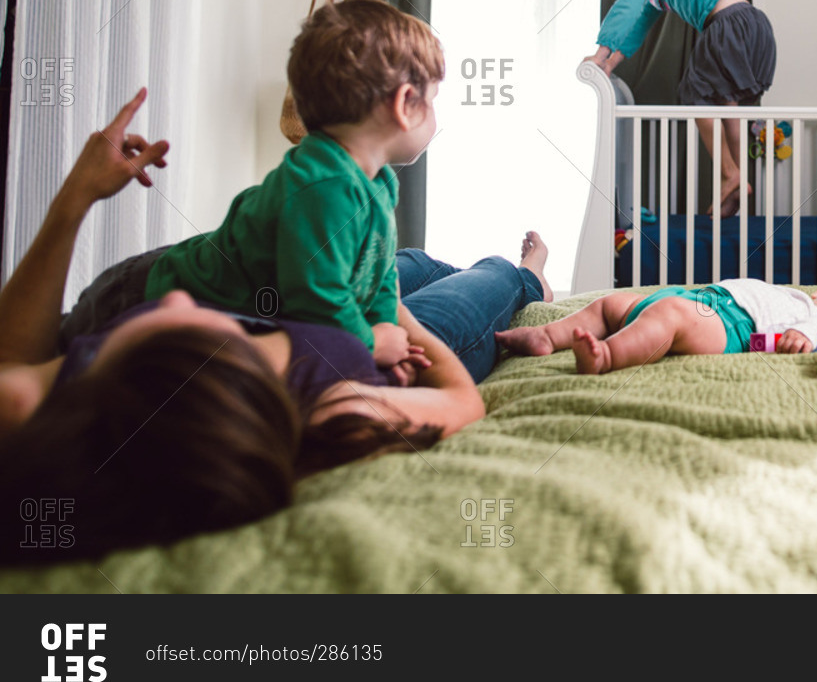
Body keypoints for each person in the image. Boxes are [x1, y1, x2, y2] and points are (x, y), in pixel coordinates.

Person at [0, 90, 549, 565]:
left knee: (415, 259)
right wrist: (393, 316)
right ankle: (533, 281)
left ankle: (429, 271)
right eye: (204, 322)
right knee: (494, 274)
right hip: (404, 349)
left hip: (327, 295)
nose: (173, 298)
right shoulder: (336, 409)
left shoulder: (68, 398)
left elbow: (11, 362)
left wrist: (75, 199)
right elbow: (462, 401)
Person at [143, 0, 443, 369]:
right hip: (168, 291)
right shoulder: (325, 186)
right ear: (405, 102)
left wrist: (385, 334)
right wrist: (369, 346)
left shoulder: (379, 182)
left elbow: (380, 274)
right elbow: (317, 302)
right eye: (434, 99)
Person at [584, 0, 776, 217]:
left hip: (727, 24)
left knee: (693, 94)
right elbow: (640, 25)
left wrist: (599, 54)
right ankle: (738, 175)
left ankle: (729, 174)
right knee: (725, 99)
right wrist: (612, 63)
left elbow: (628, 6)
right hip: (753, 24)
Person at [497, 272, 817, 375]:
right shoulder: (800, 298)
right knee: (610, 304)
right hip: (702, 299)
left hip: (729, 327)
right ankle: (546, 336)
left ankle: (607, 356)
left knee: (669, 318)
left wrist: (801, 337)